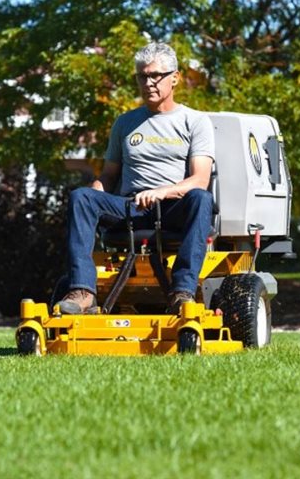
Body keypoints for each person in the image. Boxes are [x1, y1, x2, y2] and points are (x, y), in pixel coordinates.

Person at [58, 42, 215, 314]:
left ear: (174, 78)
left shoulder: (195, 121)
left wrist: (161, 192)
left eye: (156, 75)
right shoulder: (125, 123)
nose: (149, 82)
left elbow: (200, 179)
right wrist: (95, 194)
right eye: (142, 76)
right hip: (129, 208)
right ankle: (83, 291)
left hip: (171, 209)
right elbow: (108, 175)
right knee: (81, 197)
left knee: (201, 199)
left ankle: (182, 291)